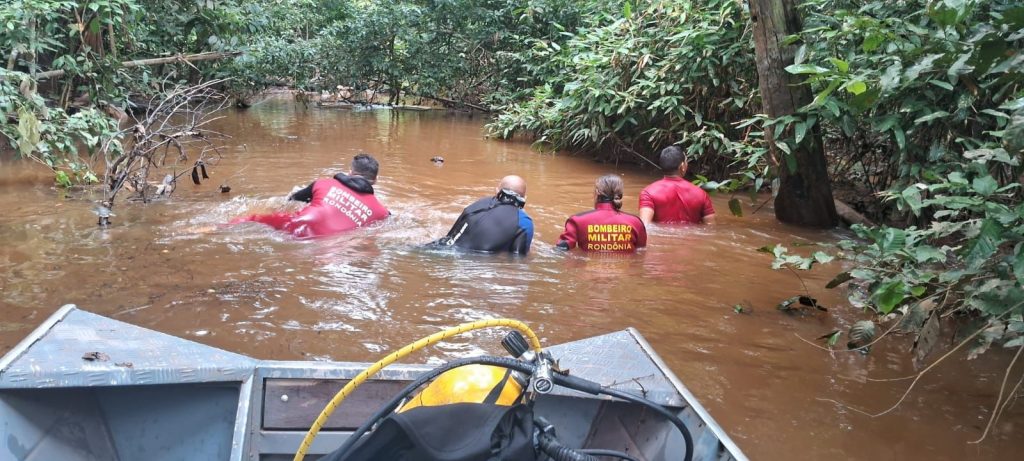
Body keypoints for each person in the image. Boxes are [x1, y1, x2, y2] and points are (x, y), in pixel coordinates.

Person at [231, 153, 389, 238]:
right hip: (327, 245)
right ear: (376, 180)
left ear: (350, 172)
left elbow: (291, 200)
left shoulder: (323, 183)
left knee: (246, 221)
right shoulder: (381, 213)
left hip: (291, 226)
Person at [435, 175, 534, 254]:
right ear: (524, 198)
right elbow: (517, 260)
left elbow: (450, 236)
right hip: (475, 264)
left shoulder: (478, 204)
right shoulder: (525, 222)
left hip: (439, 248)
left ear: (496, 191)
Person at [556, 174, 646, 253]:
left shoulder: (577, 220)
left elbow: (562, 248)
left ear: (597, 192)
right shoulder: (636, 222)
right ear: (620, 194)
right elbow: (641, 252)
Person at [638, 146, 715, 226]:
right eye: (686, 161)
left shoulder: (648, 192)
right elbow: (711, 227)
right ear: (682, 166)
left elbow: (645, 226)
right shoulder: (701, 194)